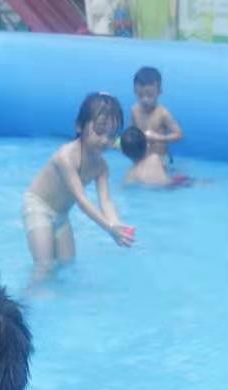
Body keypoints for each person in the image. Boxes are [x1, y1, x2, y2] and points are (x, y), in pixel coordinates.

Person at [23, 92, 133, 284]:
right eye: (99, 130)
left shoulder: (101, 167)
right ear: (79, 126)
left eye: (111, 135)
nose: (105, 140)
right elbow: (81, 200)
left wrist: (116, 225)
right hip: (38, 207)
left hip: (61, 215)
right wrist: (108, 228)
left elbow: (106, 201)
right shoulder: (65, 157)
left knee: (67, 266)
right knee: (44, 268)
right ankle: (27, 298)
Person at [130, 66, 183, 162]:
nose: (145, 100)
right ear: (135, 91)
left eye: (150, 95)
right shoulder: (134, 110)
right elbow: (132, 132)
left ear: (159, 92)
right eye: (140, 95)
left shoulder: (163, 113)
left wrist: (158, 138)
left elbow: (179, 135)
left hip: (161, 159)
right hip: (141, 157)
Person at [119, 126, 192, 189]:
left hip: (153, 191)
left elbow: (127, 187)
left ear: (124, 153)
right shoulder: (155, 158)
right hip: (170, 186)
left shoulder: (131, 174)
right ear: (147, 145)